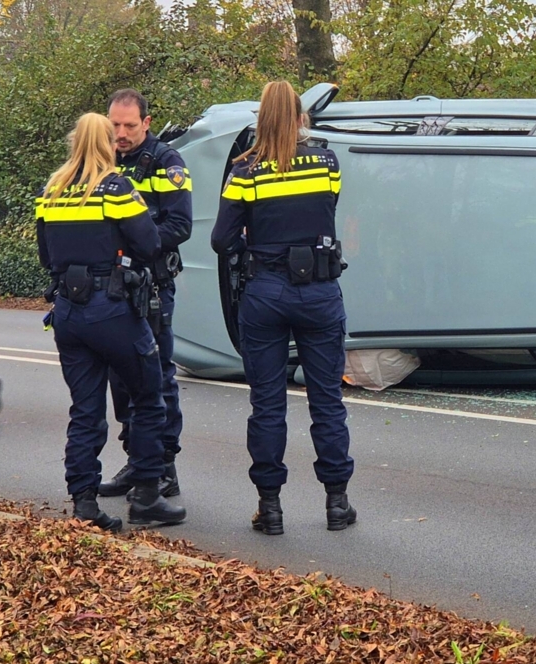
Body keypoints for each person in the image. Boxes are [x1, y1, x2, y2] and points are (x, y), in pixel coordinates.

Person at [211, 80, 355, 535]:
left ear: (260, 120)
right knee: (327, 402)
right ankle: (337, 504)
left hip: (266, 293)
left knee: (268, 405)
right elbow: (326, 210)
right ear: (300, 117)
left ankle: (270, 508)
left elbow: (220, 241)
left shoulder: (245, 172)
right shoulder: (328, 161)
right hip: (319, 291)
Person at [36, 112, 186, 531]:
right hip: (114, 309)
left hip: (68, 310)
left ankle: (84, 503)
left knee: (85, 409)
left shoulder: (51, 189)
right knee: (149, 397)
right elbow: (151, 242)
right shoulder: (117, 186)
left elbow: (46, 256)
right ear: (104, 143)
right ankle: (147, 496)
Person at [98, 89, 192, 501]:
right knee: (120, 377)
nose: (120, 133)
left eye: (129, 126)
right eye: (114, 125)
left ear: (147, 123)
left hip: (151, 286)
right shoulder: (102, 161)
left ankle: (163, 465)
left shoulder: (167, 162)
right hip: (113, 287)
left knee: (156, 378)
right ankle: (136, 459)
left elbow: (180, 226)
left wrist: (137, 244)